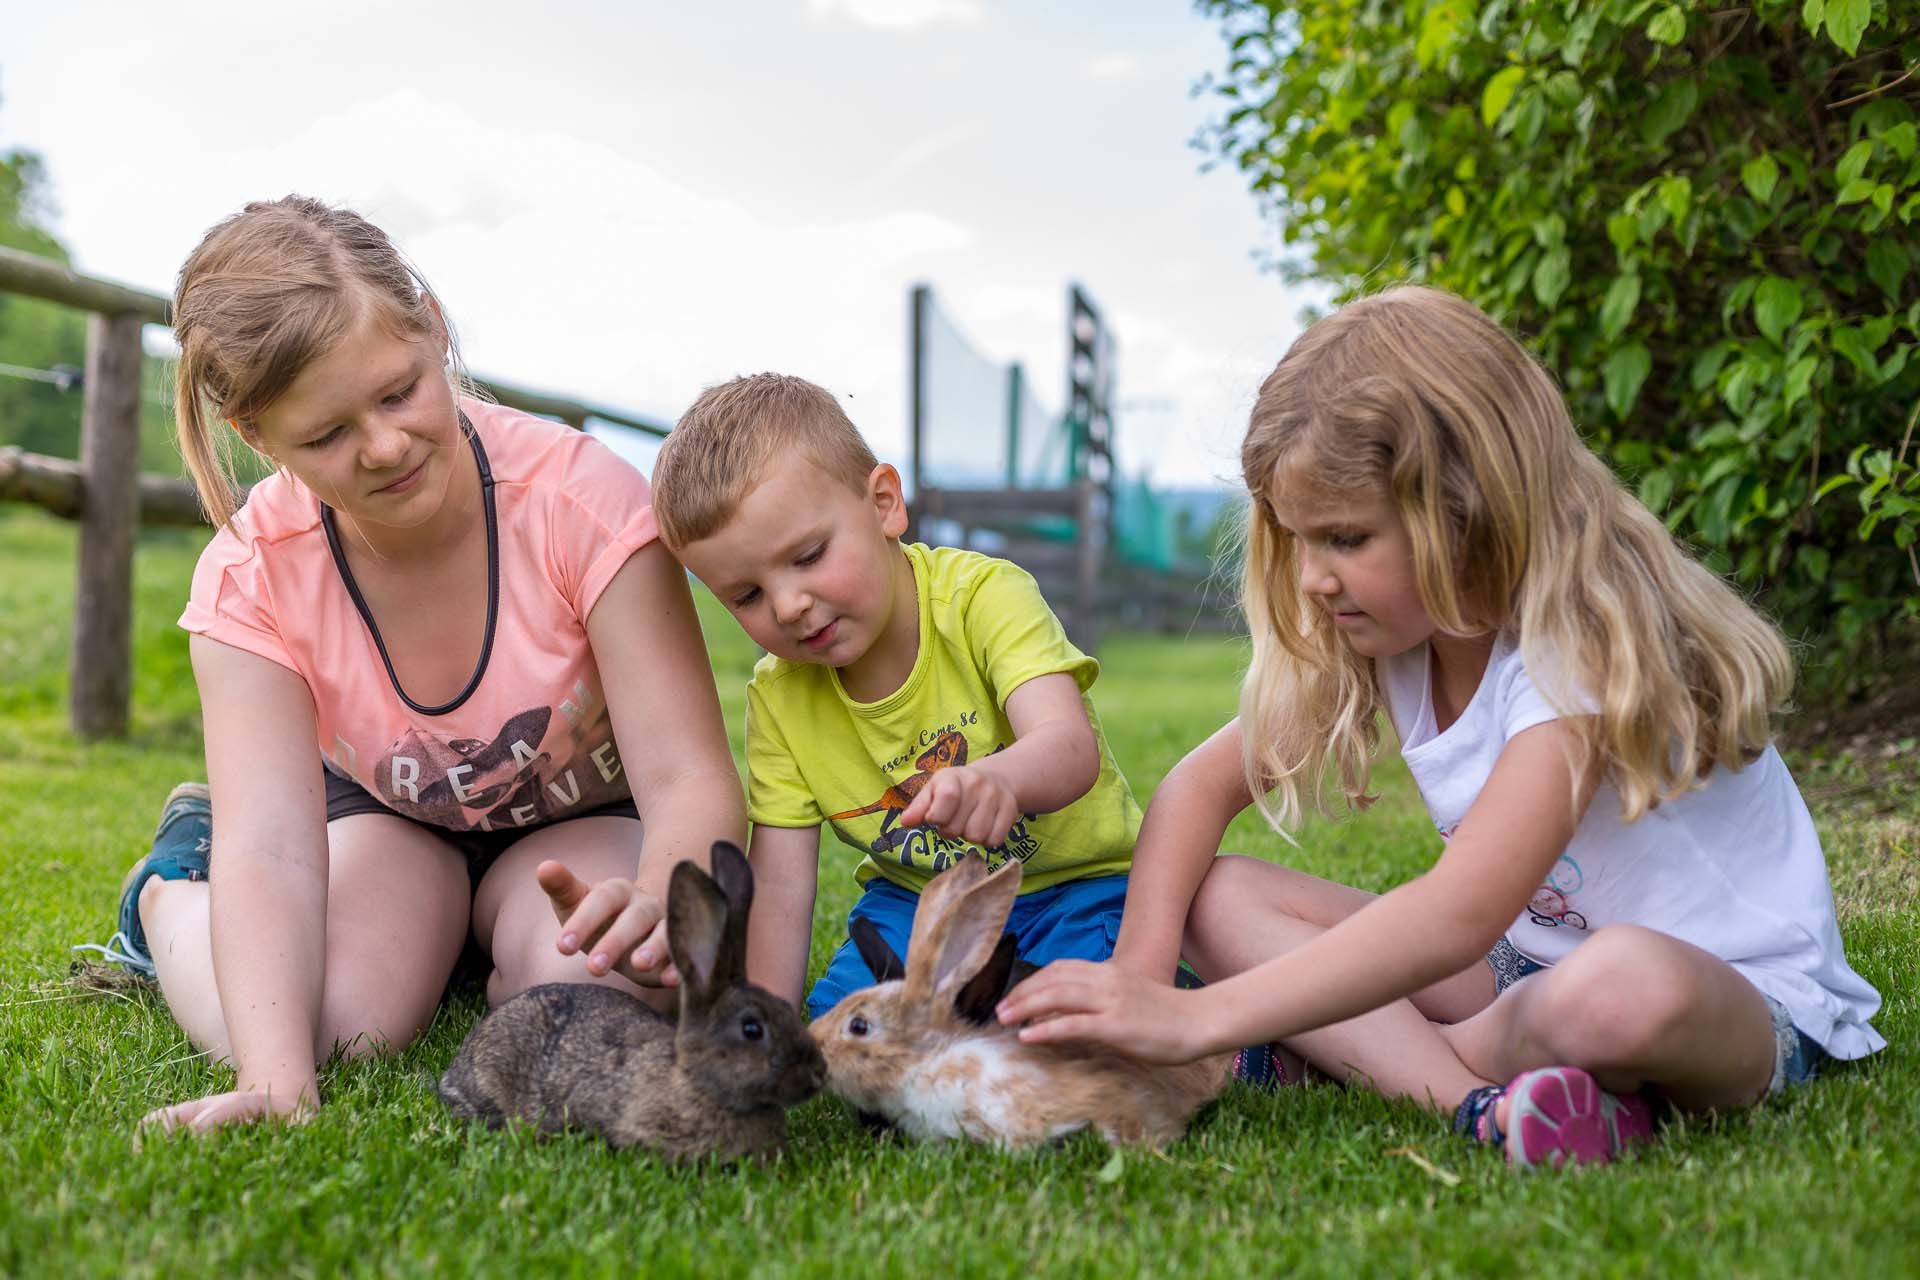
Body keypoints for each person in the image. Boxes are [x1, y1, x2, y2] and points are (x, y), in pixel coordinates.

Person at [998, 285, 1884, 1169]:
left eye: (1345, 538)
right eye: (1297, 539)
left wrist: (1199, 1018)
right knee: (1223, 895)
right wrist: (1144, 979)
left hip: (1729, 996)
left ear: (1469, 510)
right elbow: (1197, 788)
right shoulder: (1401, 640)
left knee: (1619, 987)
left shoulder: (1574, 652)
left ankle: (1383, 1059)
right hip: (1518, 972)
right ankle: (1485, 1106)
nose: (1311, 577)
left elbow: (1458, 913)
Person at [79, 196, 744, 1136]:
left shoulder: (581, 502)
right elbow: (272, 844)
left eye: (398, 392)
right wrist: (277, 1079)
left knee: (594, 990)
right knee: (328, 1025)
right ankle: (169, 891)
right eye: (327, 436)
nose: (385, 446)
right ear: (258, 435)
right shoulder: (249, 574)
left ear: (432, 329)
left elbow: (688, 775)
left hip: (581, 822)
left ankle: (486, 940)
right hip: (387, 820)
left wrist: (659, 900)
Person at [645, 373, 1142, 1018]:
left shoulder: (983, 599)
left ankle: (1237, 1048)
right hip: (916, 905)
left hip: (1075, 890)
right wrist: (765, 1026)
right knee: (846, 1045)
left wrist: (999, 779)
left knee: (1056, 1035)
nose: (789, 605)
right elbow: (783, 884)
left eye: (809, 555)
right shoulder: (779, 696)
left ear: (883, 503)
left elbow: (1069, 748)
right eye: (747, 596)